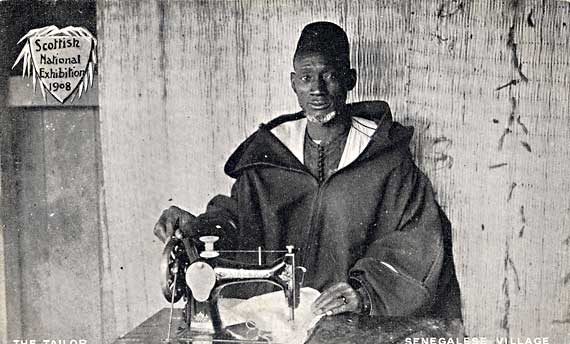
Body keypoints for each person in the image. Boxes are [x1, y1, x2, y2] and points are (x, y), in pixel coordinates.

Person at [154, 21, 462, 319]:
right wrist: (197, 227)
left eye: (329, 76)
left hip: (355, 323)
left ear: (350, 79)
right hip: (278, 318)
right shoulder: (269, 156)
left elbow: (417, 239)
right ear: (293, 82)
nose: (317, 89)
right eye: (306, 77)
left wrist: (365, 292)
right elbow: (237, 219)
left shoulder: (386, 159)